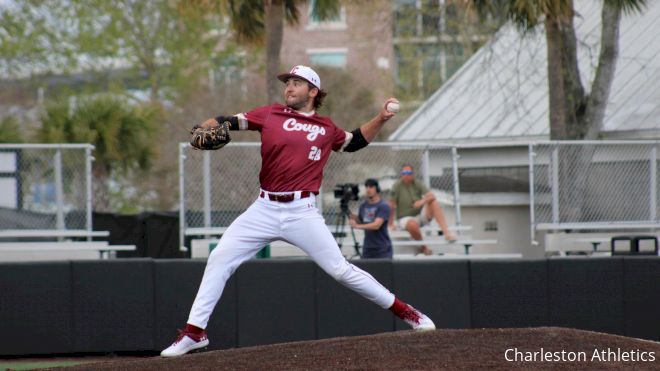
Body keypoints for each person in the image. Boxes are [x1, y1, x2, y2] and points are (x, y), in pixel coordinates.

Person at [161, 65, 435, 357]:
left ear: (313, 91)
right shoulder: (270, 114)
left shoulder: (326, 128)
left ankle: (408, 312)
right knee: (219, 258)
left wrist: (381, 118)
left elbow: (353, 142)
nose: (289, 87)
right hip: (264, 208)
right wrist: (205, 127)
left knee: (340, 270)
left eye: (296, 82)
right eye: (288, 82)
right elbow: (224, 121)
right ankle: (194, 332)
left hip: (302, 211)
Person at [389, 164, 457, 256]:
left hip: (419, 216)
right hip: (404, 218)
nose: (406, 175)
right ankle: (423, 247)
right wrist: (391, 223)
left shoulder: (417, 183)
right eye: (404, 173)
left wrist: (421, 202)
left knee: (434, 202)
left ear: (413, 174)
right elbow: (391, 205)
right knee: (412, 224)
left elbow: (432, 195)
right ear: (401, 174)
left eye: (409, 173)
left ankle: (446, 233)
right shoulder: (397, 186)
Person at [349, 178, 392, 259]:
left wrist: (357, 226)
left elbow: (376, 225)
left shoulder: (383, 206)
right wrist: (352, 217)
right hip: (368, 248)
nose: (368, 189)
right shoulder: (363, 206)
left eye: (371, 187)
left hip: (382, 249)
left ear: (377, 188)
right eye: (367, 187)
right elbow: (362, 221)